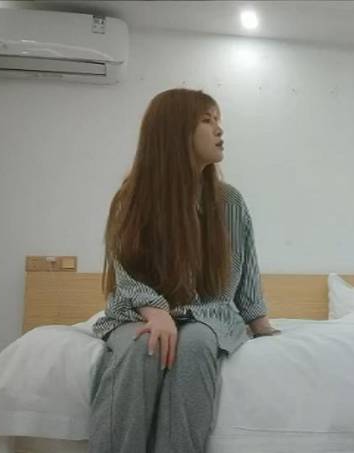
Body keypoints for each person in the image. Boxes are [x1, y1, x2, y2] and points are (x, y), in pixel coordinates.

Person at [88, 88, 280, 453]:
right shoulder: (133, 197)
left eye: (218, 120)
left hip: (209, 313)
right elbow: (124, 268)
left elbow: (247, 274)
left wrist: (262, 327)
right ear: (174, 132)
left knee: (195, 345)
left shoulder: (229, 201)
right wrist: (155, 311)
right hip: (137, 311)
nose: (219, 129)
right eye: (207, 121)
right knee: (143, 347)